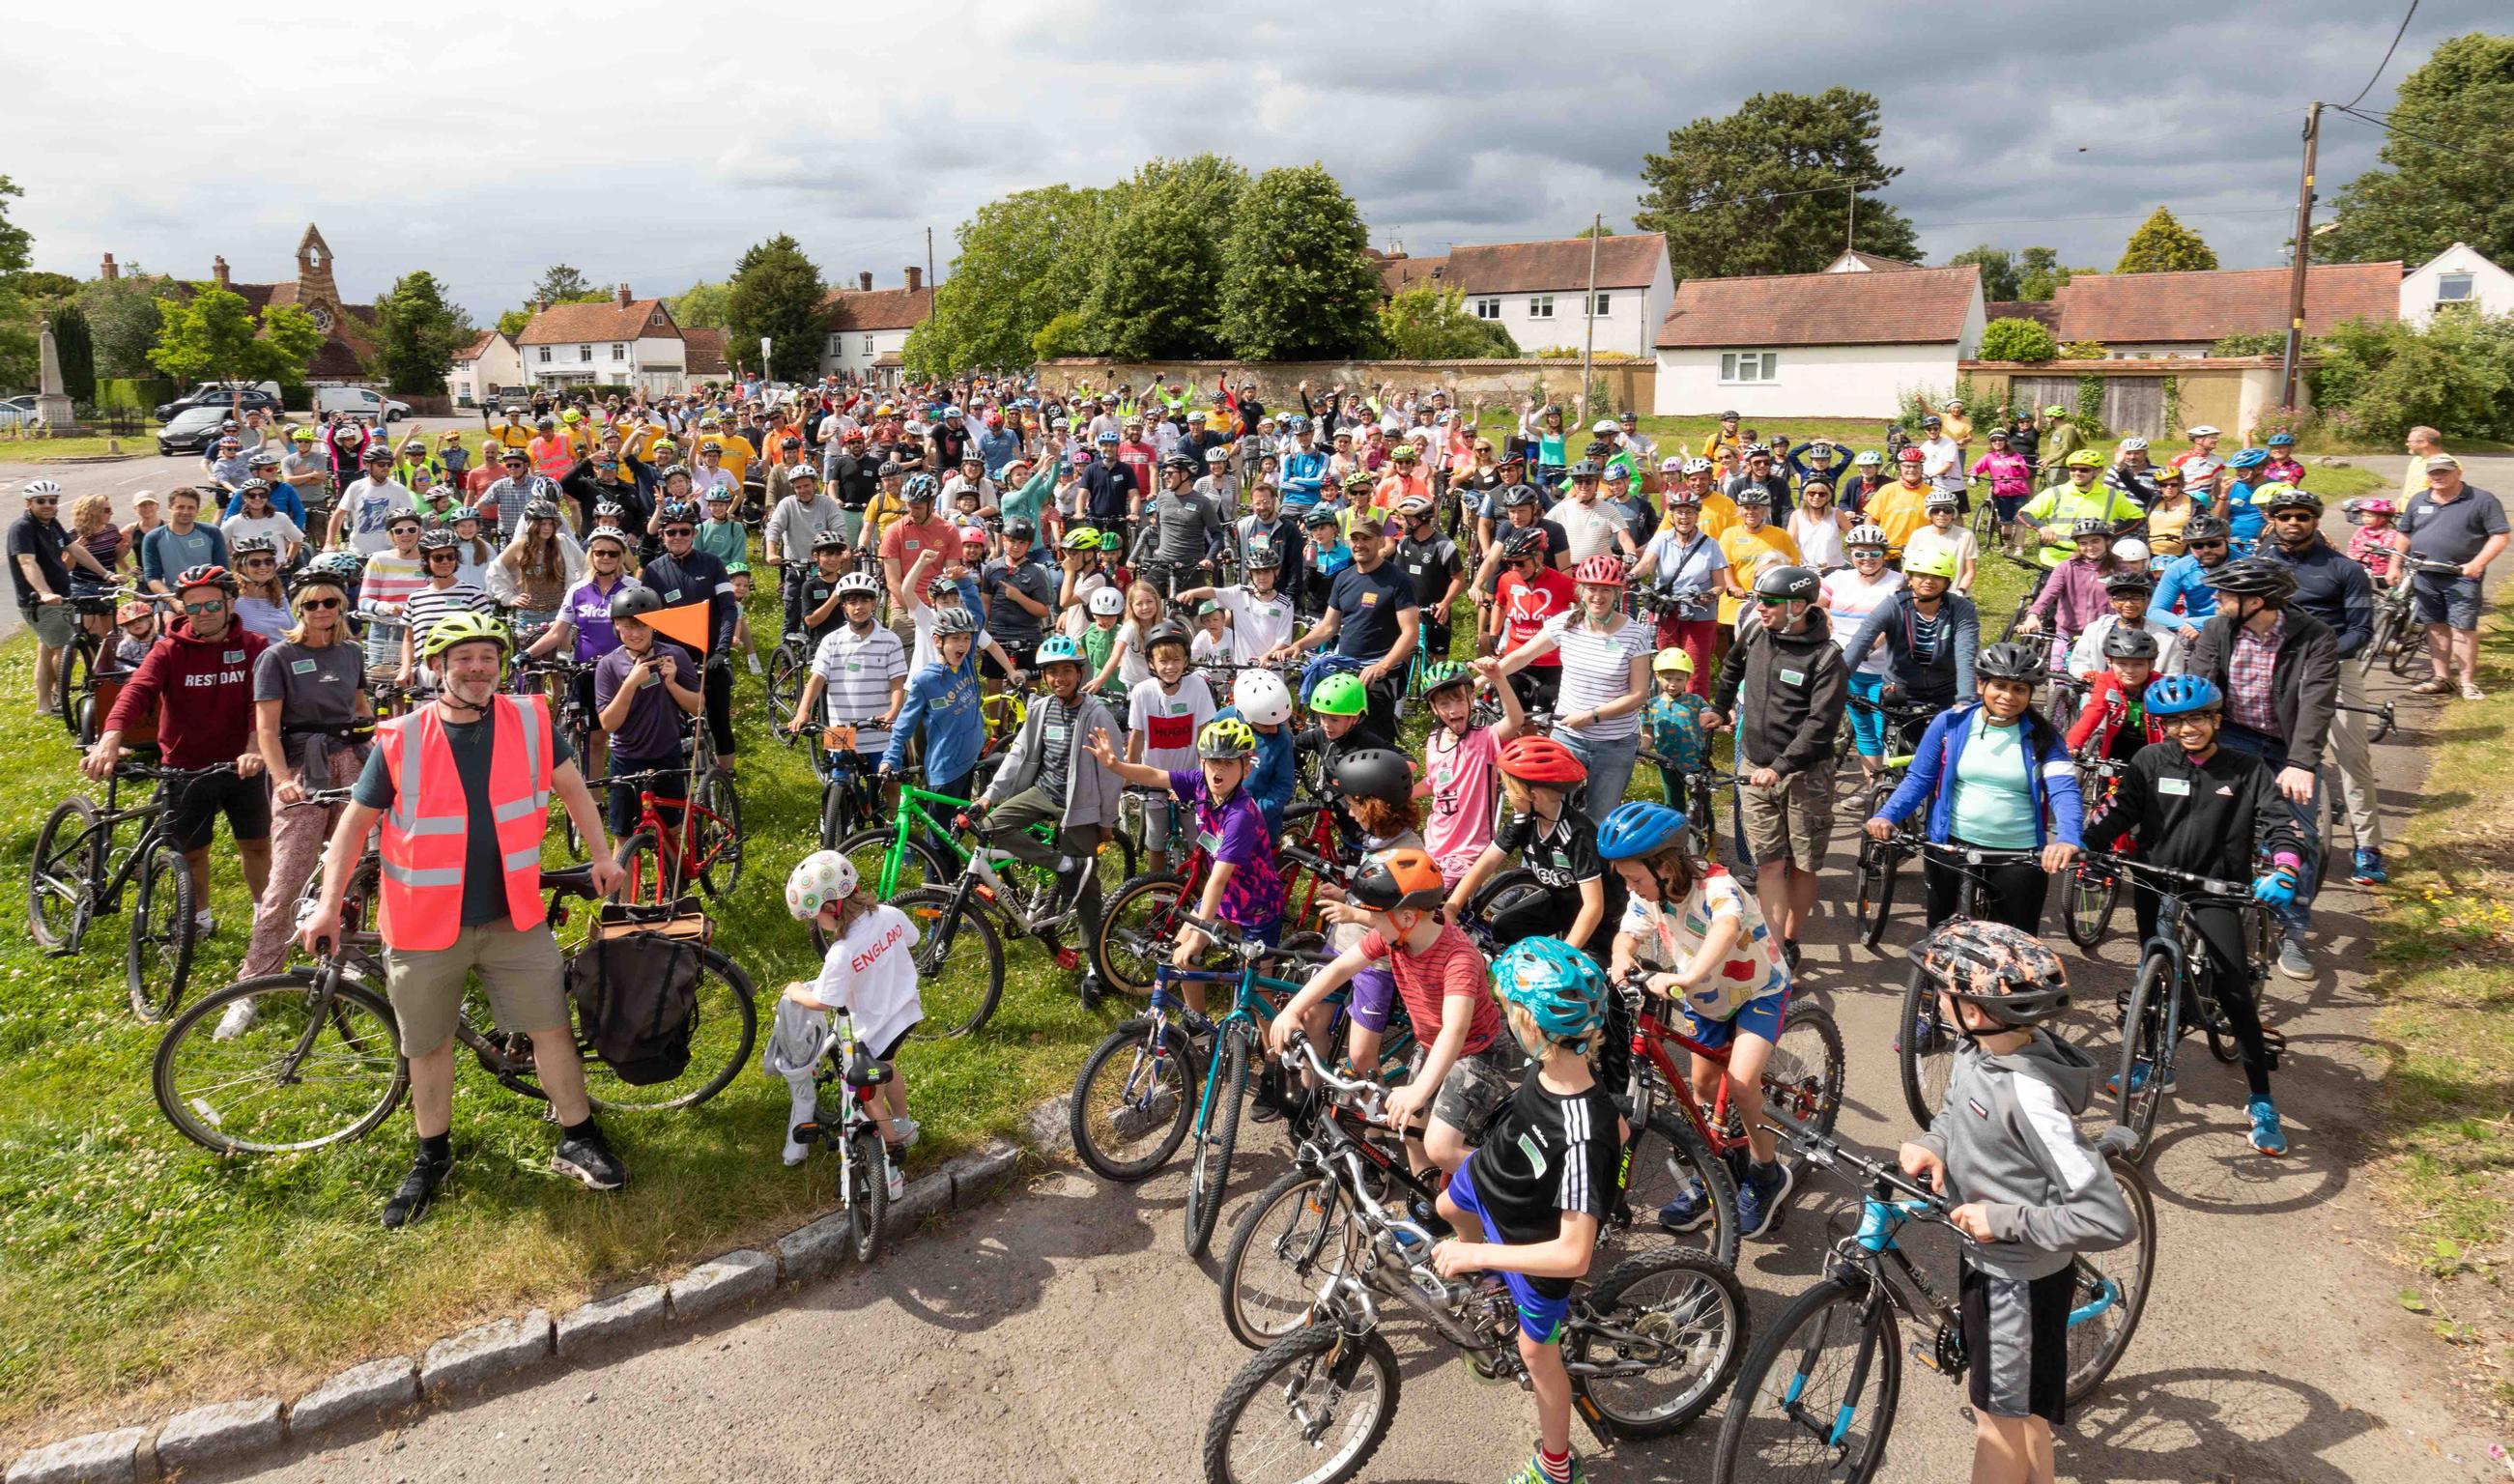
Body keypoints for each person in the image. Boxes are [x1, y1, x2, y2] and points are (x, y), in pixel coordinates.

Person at [300, 613, 625, 1226]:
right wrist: (325, 904)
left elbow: (575, 789)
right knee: (428, 1046)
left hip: (513, 916)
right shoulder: (400, 739)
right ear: (438, 667)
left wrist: (603, 853)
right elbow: (351, 830)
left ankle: (577, 1135)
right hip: (424, 924)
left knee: (550, 1028)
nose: (478, 669)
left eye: (488, 658)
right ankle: (433, 1156)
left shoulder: (529, 720)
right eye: (464, 658)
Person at [1896, 921, 2137, 1484]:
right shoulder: (1974, 1049)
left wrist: (2002, 1219)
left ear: (1975, 1011)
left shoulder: (2030, 1096)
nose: (1935, 1000)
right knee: (2023, 1417)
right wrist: (1934, 1144)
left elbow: (2108, 1217)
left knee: (1996, 1423)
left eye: (1941, 992)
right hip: (1990, 1258)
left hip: (2018, 1281)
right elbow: (1955, 1110)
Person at [2080, 675, 2307, 1157]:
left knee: (2233, 988)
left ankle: (2262, 1099)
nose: (2188, 728)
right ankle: (2150, 1061)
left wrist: (2285, 866)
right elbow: (2121, 809)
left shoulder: (2247, 769)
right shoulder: (2149, 760)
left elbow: (2277, 823)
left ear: (2216, 720)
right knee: (2152, 972)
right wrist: (2087, 845)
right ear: (2162, 726)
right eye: (2176, 721)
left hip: (2216, 888)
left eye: (2198, 717)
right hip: (2153, 877)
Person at [1426, 935, 1621, 1484]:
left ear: (1532, 1028)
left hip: (1532, 1236)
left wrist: (1477, 1253)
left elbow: (1575, 1254)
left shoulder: (1584, 1134)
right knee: (1445, 1203)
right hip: (1494, 1182)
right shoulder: (1549, 1068)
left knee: (1536, 1354)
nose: (1505, 1021)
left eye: (1509, 1012)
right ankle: (1494, 1283)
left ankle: (1556, 1465)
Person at [1597, 800, 1794, 1238]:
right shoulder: (1647, 895)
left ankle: (1767, 1173)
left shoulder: (1718, 887)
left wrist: (1686, 975)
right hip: (1705, 1000)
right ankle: (1717, 1178)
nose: (1630, 886)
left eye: (1634, 877)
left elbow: (1725, 927)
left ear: (1665, 867)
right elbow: (1628, 933)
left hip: (1758, 991)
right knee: (1702, 1089)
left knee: (1741, 1084)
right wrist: (1620, 956)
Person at [1271, 847, 1516, 1179]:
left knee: (1441, 1147)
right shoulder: (1393, 937)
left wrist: (1418, 1091)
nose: (1369, 921)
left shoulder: (1459, 957)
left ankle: (1515, 1179)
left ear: (1407, 917)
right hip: (1432, 1046)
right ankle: (1429, 1208)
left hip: (1478, 1052)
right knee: (1411, 1132)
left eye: (1375, 915)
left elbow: (1454, 1031)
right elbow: (1340, 968)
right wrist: (1294, 1009)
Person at [85, 564, 271, 936]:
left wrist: (254, 748)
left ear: (230, 603)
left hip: (243, 765)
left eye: (212, 605)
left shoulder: (256, 647)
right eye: (194, 607)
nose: (203, 614)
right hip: (185, 765)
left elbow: (260, 703)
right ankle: (198, 919)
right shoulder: (169, 650)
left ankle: (265, 918)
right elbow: (138, 689)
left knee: (256, 844)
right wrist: (111, 735)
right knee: (191, 852)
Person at [2183, 557, 2339, 980]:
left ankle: (2294, 929)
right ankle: (2204, 901)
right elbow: (2199, 685)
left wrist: (2302, 763)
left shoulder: (2315, 637)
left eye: (2225, 594)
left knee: (2298, 831)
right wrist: (2188, 744)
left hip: (2286, 744)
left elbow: (2317, 703)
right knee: (2206, 815)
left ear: (2255, 602)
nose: (2216, 600)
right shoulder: (2218, 629)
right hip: (2232, 733)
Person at [1868, 642, 2085, 934]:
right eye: (2000, 686)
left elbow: (2063, 791)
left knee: (2014, 945)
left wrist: (2067, 838)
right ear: (1981, 685)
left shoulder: (2044, 736)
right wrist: (1887, 815)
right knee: (1940, 937)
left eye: (2019, 689)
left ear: (2031, 693)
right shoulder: (1951, 723)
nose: (2008, 696)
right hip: (1950, 844)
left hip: (2018, 854)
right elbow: (1919, 778)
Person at [1706, 565, 1845, 968]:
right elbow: (1731, 667)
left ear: (1798, 607)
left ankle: (1790, 939)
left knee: (1802, 863)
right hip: (1755, 766)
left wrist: (1782, 767)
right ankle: (1773, 950)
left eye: (1768, 602)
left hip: (1805, 775)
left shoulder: (1826, 658)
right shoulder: (1755, 633)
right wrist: (1719, 708)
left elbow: (1821, 726)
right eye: (1756, 600)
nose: (1759, 608)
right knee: (1768, 862)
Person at [1090, 716, 1286, 999]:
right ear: (1202, 762)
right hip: (1224, 901)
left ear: (1245, 769)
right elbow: (1155, 775)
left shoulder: (1240, 816)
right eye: (1212, 761)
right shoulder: (1200, 783)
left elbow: (1217, 881)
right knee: (1178, 958)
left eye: (1228, 763)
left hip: (1257, 909)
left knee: (1255, 998)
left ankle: (1272, 1044)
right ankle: (1197, 1030)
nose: (1218, 769)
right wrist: (1115, 766)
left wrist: (1198, 937)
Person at [970, 635, 1126, 974]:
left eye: (1067, 670)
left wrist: (1106, 821)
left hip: (1080, 804)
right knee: (989, 827)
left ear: (1080, 673)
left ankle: (1095, 964)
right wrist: (989, 796)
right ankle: (1061, 864)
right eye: (1052, 672)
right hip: (1043, 793)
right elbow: (1018, 754)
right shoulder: (1041, 708)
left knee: (1086, 889)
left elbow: (1112, 772)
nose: (1059, 678)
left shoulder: (1097, 713)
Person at [772, 852, 923, 1194]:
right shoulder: (889, 914)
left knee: (869, 1098)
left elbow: (825, 1000)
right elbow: (911, 939)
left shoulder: (842, 952)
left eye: (815, 918)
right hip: (907, 1012)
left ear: (829, 909)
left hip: (877, 1026)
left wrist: (795, 992)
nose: (818, 925)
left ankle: (891, 1153)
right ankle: (904, 1124)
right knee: (889, 1066)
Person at [1491, 555, 1652, 811]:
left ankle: (1589, 850)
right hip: (1569, 736)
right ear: (1580, 590)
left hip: (1615, 742)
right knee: (1551, 809)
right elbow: (1521, 656)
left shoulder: (1636, 634)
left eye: (1605, 590)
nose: (1598, 596)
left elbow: (1639, 694)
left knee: (1599, 815)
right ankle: (1558, 851)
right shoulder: (1565, 623)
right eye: (1591, 588)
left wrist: (1592, 716)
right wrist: (1478, 679)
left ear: (1617, 593)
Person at [1445, 732, 1623, 956]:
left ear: (1534, 796)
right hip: (1560, 902)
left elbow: (1594, 906)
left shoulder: (1577, 834)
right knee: (1503, 927)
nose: (1506, 793)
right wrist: (1451, 906)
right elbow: (1486, 863)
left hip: (1601, 919)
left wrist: (1564, 957)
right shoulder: (1524, 819)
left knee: (1582, 981)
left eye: (1510, 788)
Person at [1271, 515, 1420, 741]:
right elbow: (1329, 626)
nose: (1359, 544)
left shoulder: (1398, 580)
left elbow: (1410, 633)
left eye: (1366, 539)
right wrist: (1298, 645)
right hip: (1346, 670)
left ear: (1381, 541)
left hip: (1379, 675)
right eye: (1355, 539)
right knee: (1337, 736)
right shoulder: (1344, 578)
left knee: (1375, 742)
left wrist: (1383, 666)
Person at [2392, 453, 2507, 701]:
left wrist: (2477, 563)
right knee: (2434, 626)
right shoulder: (2418, 499)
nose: (2438, 476)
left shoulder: (2482, 500)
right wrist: (2394, 564)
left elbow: (2499, 536)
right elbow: (2404, 534)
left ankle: (2467, 683)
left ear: (2458, 473)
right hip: (2423, 573)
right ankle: (2440, 677)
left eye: (2444, 471)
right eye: (2433, 472)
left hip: (2461, 576)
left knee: (2463, 629)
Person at [592, 586, 704, 842]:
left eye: (643, 625)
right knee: (623, 836)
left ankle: (673, 879)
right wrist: (630, 684)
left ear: (655, 625)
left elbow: (698, 706)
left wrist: (673, 684)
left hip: (667, 754)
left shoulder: (675, 655)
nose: (635, 633)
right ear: (616, 626)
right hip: (626, 757)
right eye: (627, 626)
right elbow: (609, 723)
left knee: (672, 831)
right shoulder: (608, 666)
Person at [640, 501, 741, 775]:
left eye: (684, 532)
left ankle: (726, 779)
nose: (678, 538)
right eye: (671, 532)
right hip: (672, 658)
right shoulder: (653, 571)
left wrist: (722, 651)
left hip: (710, 656)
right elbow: (646, 619)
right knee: (674, 722)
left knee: (719, 720)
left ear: (694, 534)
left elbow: (728, 608)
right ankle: (678, 774)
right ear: (662, 535)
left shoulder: (712, 564)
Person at [1123, 620, 1218, 878]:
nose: (1170, 667)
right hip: (1154, 779)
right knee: (1155, 844)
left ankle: (1199, 892)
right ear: (1151, 664)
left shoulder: (1198, 687)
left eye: (1176, 660)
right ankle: (1157, 895)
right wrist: (1129, 774)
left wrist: (1205, 775)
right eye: (1163, 661)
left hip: (1188, 778)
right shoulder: (1143, 692)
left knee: (1195, 841)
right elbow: (1138, 737)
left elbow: (1205, 735)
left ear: (1186, 660)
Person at [1415, 661, 1520, 888]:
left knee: (1430, 905)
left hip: (1469, 852)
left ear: (1472, 699)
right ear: (1434, 708)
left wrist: (1499, 678)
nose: (1453, 709)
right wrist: (1400, 795)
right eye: (1444, 703)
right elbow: (1433, 782)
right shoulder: (1434, 740)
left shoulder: (1485, 739)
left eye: (1459, 700)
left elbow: (1515, 721)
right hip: (1434, 844)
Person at [1821, 528, 1906, 783]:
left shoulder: (1898, 582)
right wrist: (1828, 621)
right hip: (1849, 670)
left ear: (1885, 554)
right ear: (1851, 553)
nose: (1867, 558)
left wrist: (1868, 647)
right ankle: (1875, 790)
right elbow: (1816, 606)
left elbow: (1900, 622)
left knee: (1885, 730)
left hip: (1884, 670)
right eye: (1860, 553)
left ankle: (1892, 787)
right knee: (1865, 731)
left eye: (1874, 553)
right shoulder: (1837, 579)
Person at [1633, 487, 1736, 697]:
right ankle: (1664, 712)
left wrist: (1710, 595)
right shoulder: (1662, 539)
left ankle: (1698, 716)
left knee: (1696, 667)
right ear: (1672, 514)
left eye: (1690, 512)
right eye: (1680, 512)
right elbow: (1646, 564)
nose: (1684, 517)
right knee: (1666, 663)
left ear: (1698, 514)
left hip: (1698, 610)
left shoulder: (1710, 545)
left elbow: (1720, 583)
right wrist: (1630, 575)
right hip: (1666, 607)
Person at [882, 607, 987, 808]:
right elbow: (905, 722)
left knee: (958, 826)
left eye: (967, 638)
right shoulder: (925, 681)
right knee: (938, 835)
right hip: (945, 770)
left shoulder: (965, 665)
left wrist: (964, 582)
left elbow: (979, 617)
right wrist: (891, 757)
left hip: (969, 760)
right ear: (938, 641)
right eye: (955, 638)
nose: (963, 644)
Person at [8, 479, 78, 716]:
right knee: (65, 648)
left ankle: (44, 705)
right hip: (41, 603)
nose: (48, 505)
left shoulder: (51, 524)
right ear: (29, 503)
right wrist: (45, 593)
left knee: (47, 650)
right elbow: (27, 561)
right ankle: (62, 699)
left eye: (52, 501)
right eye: (41, 501)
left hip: (61, 598)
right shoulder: (22, 528)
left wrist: (106, 573)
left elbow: (75, 549)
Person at [2014, 519, 2122, 666]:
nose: (2090, 547)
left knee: (2098, 682)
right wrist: (2033, 615)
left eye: (2095, 541)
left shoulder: (2120, 568)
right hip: (2067, 634)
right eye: (2083, 543)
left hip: (2106, 635)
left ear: (2107, 541)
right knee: (2059, 682)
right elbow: (2049, 593)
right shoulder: (2066, 567)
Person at [1179, 537, 1297, 666]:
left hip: (1271, 668)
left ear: (1276, 572)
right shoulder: (1240, 593)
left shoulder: (1285, 605)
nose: (1262, 577)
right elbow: (1213, 591)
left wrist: (1266, 656)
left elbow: (1283, 641)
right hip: (1243, 669)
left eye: (1267, 572)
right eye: (1257, 573)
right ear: (1249, 574)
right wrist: (1191, 593)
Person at [2017, 450, 2141, 569]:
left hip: (2094, 560)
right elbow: (2024, 513)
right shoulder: (2055, 493)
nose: (2077, 473)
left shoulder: (2112, 496)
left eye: (2084, 470)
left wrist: (2113, 533)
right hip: (2055, 560)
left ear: (2098, 471)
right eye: (2073, 469)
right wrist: (2042, 527)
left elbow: (2138, 518)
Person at [2066, 628, 2167, 765]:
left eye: (2138, 664)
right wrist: (2073, 743)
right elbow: (2093, 712)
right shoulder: (2106, 681)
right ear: (2110, 662)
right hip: (2119, 742)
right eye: (2122, 664)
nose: (2129, 671)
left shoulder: (2161, 685)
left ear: (2151, 664)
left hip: (2153, 744)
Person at [2065, 570, 2182, 680]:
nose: (2128, 604)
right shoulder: (2095, 630)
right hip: (2098, 694)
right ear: (2111, 602)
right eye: (2121, 599)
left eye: (2136, 599)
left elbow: (2174, 676)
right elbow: (2079, 663)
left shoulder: (2167, 639)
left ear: (2147, 601)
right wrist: (2092, 677)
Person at [2146, 512, 2235, 643]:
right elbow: (2155, 611)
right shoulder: (2179, 568)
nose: (2206, 550)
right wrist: (2182, 625)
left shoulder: (2245, 564)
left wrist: (2196, 623)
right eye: (2197, 545)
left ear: (2227, 540)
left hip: (2235, 628)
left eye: (2213, 543)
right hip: (2195, 633)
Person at [141, 486, 230, 595]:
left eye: (191, 508)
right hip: (174, 595)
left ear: (197, 509)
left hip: (209, 595)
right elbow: (153, 578)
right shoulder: (153, 538)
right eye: (180, 507)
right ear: (170, 507)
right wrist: (172, 601)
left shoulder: (212, 532)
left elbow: (222, 569)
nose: (185, 511)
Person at [329, 445, 416, 555]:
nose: (386, 467)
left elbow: (412, 521)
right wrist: (329, 543)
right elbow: (338, 515)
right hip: (358, 552)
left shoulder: (399, 490)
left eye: (389, 464)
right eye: (381, 464)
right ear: (367, 465)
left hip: (389, 553)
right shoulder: (355, 487)